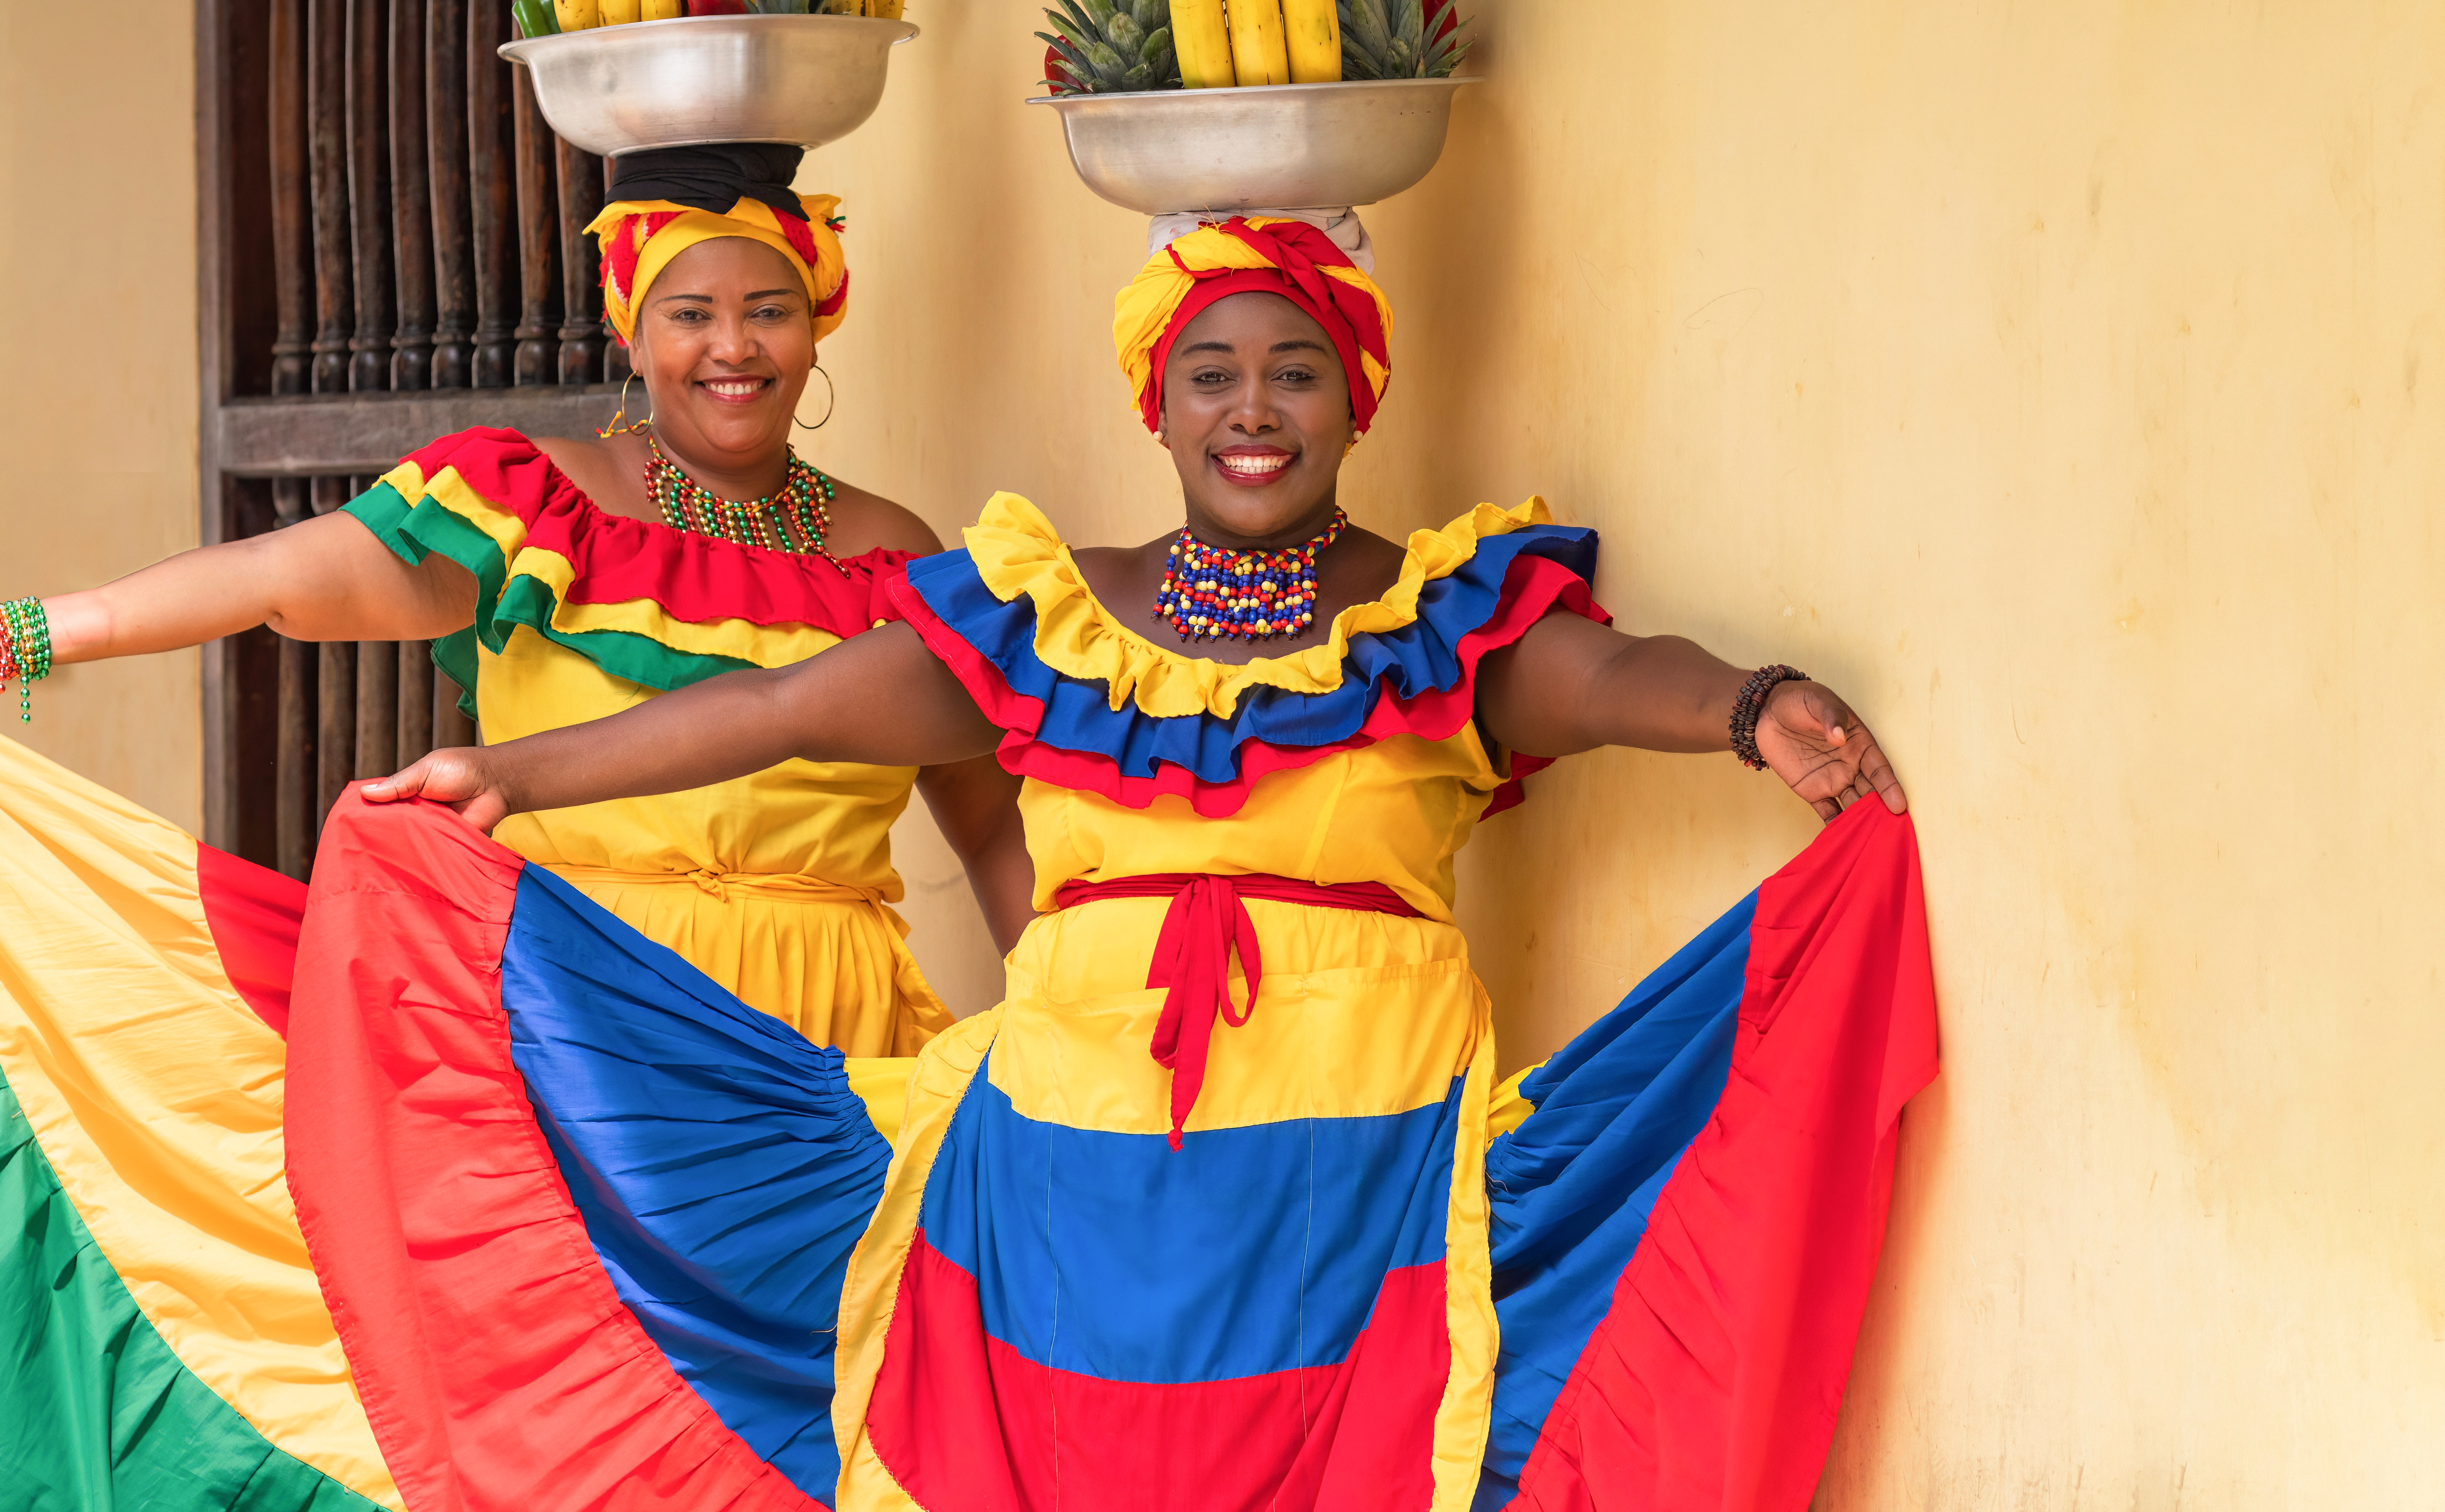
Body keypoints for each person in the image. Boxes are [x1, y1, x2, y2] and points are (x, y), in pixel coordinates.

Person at [284, 215, 1938, 1510]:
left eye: (1292, 369)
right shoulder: (1043, 617)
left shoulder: (1428, 613)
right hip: (1058, 1175)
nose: (1248, 407)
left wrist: (1747, 705)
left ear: (1352, 397)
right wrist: (502, 769)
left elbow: (1596, 669)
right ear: (1153, 405)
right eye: (1208, 371)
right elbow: (778, 707)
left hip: (1349, 1180)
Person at [0, 143, 1034, 1054]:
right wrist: (14, 629)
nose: (733, 347)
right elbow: (275, 581)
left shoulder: (894, 552)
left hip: (837, 1051)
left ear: (816, 325)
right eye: (690, 313)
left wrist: (1075, 1029)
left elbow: (985, 822)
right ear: (632, 328)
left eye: (767, 310)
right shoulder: (536, 504)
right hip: (587, 1028)